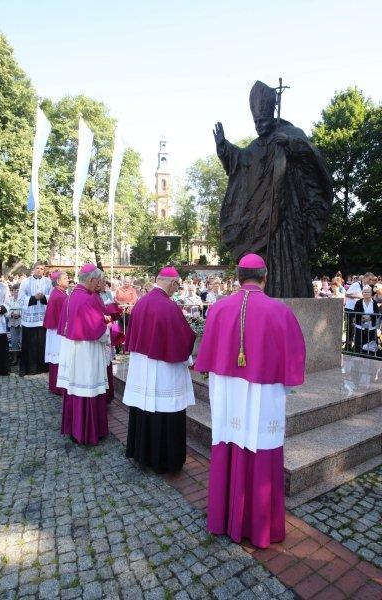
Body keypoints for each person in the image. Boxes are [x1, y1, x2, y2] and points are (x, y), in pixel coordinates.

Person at [195, 253, 305, 548]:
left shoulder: (218, 308)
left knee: (229, 442)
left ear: (238, 277)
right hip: (262, 392)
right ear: (265, 276)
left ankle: (224, 516)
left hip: (228, 392)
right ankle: (258, 526)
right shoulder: (279, 311)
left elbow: (205, 353)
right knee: (260, 446)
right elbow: (294, 357)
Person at [214, 80, 333, 297]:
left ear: (272, 116)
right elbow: (241, 162)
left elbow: (313, 159)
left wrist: (290, 143)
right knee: (268, 260)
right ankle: (266, 297)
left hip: (289, 216)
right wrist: (224, 149)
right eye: (256, 121)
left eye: (263, 120)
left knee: (290, 258)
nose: (259, 125)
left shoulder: (291, 133)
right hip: (264, 221)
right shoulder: (256, 146)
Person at [123, 266, 196, 473]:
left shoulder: (141, 302)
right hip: (164, 369)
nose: (176, 289)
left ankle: (142, 454)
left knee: (144, 409)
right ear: (172, 283)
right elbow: (184, 339)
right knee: (165, 410)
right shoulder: (168, 306)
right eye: (177, 285)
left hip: (141, 366)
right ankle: (165, 460)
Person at [57, 264, 110, 445]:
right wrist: (110, 328)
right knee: (86, 389)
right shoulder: (85, 299)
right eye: (99, 281)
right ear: (91, 279)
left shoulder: (74, 295)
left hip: (75, 348)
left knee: (76, 390)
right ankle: (87, 431)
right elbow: (98, 331)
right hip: (86, 350)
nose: (100, 284)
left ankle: (76, 429)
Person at [18, 262, 52, 376]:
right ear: (33, 269)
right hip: (30, 319)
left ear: (44, 270)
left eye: (42, 268)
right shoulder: (25, 282)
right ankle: (29, 368)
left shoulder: (48, 282)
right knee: (29, 343)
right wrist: (33, 298)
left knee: (42, 343)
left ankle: (42, 367)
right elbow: (21, 299)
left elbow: (52, 297)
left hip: (43, 317)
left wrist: (43, 297)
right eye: (37, 268)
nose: (39, 270)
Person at [43, 271, 69, 395]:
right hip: (58, 332)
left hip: (55, 330)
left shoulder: (59, 293)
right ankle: (58, 387)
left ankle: (54, 385)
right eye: (66, 278)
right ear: (58, 281)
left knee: (56, 358)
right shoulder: (60, 296)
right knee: (59, 357)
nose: (68, 279)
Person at [353, 286, 379, 355]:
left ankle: (371, 356)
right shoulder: (358, 302)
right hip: (360, 326)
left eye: (368, 292)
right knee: (360, 343)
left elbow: (377, 313)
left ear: (371, 293)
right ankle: (359, 356)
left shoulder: (374, 303)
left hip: (371, 327)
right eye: (364, 292)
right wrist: (362, 319)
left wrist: (370, 318)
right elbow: (355, 313)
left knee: (371, 343)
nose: (366, 293)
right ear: (362, 293)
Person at [8, 283, 22, 353]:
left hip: (21, 322)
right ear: (12, 291)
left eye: (18, 290)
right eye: (15, 290)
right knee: (14, 341)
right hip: (12, 322)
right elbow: (6, 310)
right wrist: (12, 314)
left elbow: (26, 310)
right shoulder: (9, 300)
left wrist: (20, 314)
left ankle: (24, 357)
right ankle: (14, 357)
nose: (16, 292)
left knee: (23, 340)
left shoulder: (23, 299)